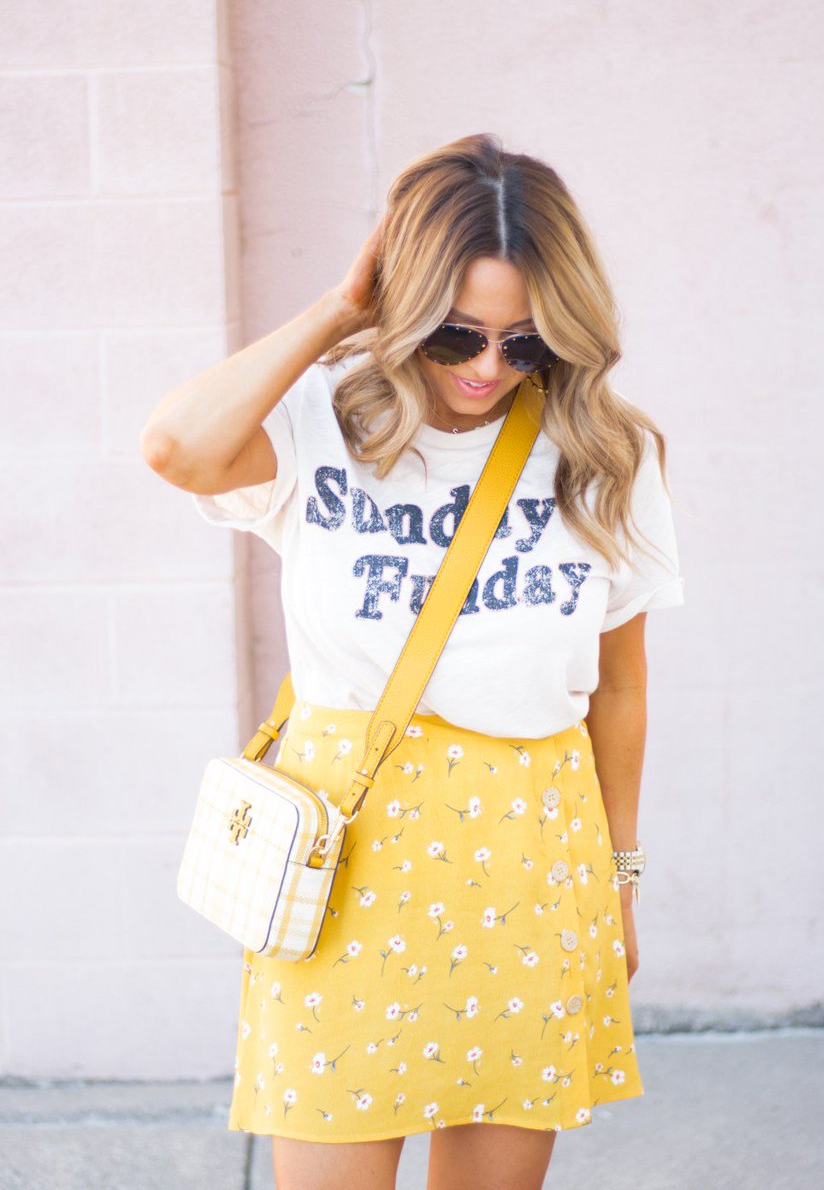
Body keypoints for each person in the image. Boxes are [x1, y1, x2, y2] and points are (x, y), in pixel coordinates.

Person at [141, 133, 684, 1190]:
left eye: (524, 344)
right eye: (455, 334)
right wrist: (340, 312)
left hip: (533, 848)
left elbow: (621, 685)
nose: (487, 370)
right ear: (405, 306)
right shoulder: (324, 422)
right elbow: (176, 448)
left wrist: (618, 880)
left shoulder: (605, 455)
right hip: (350, 856)